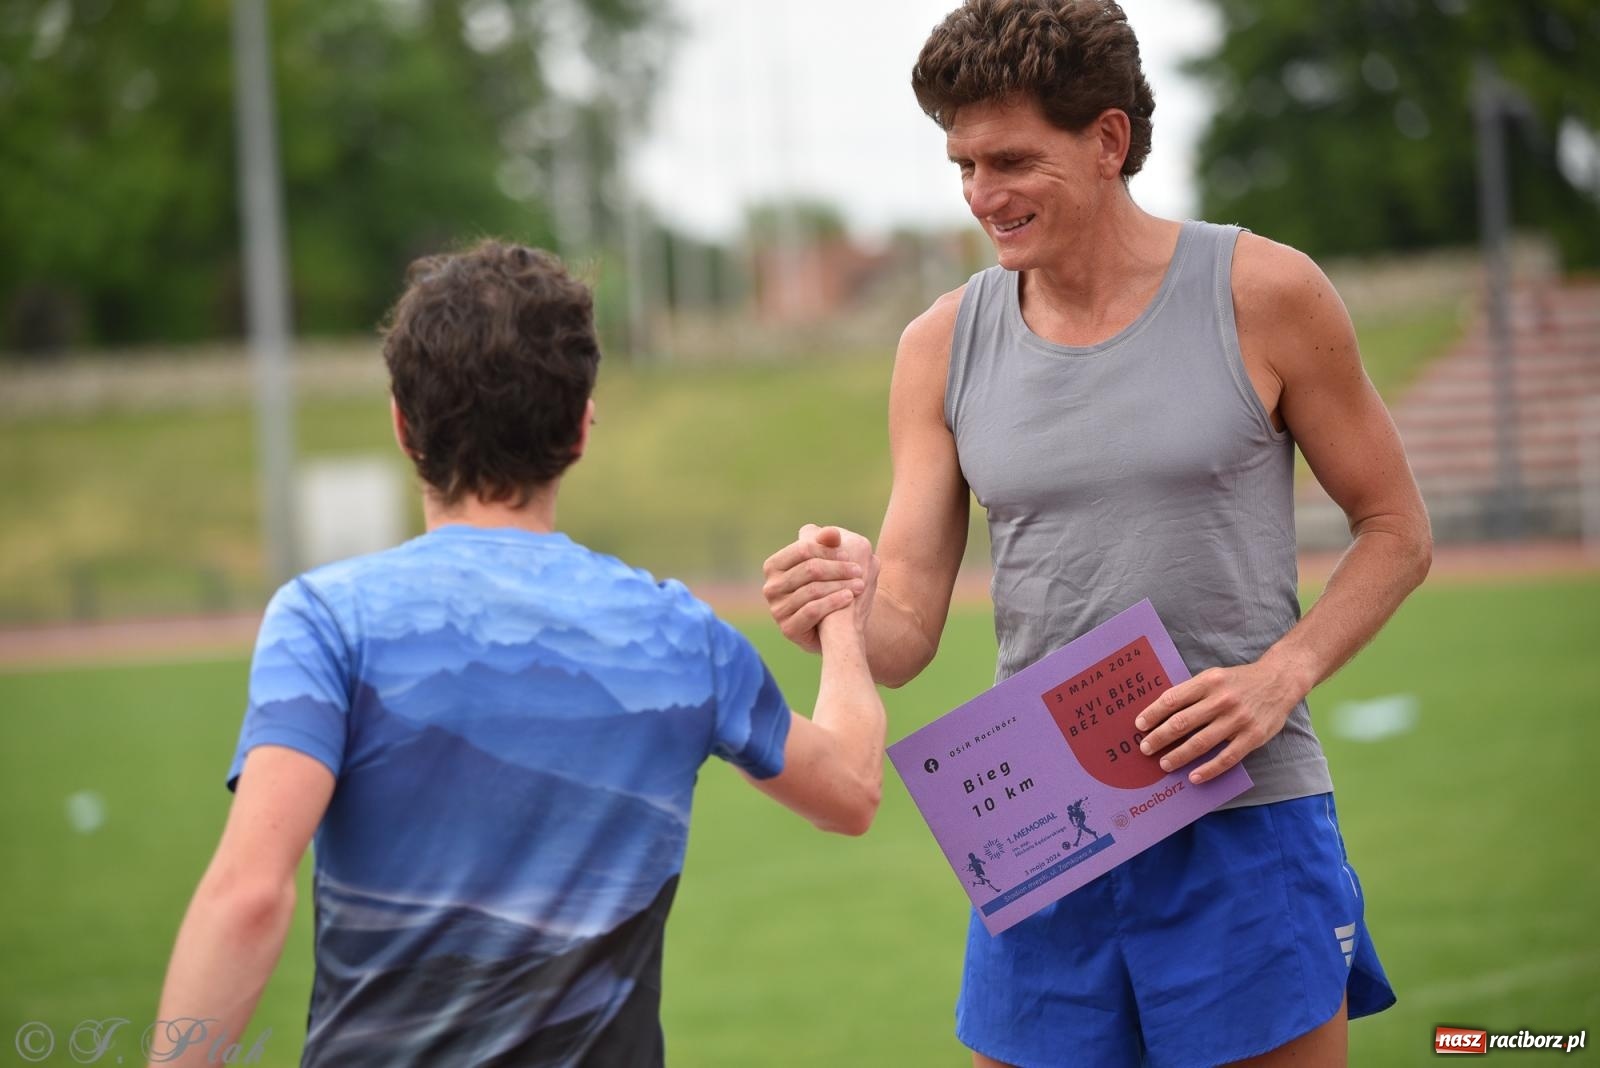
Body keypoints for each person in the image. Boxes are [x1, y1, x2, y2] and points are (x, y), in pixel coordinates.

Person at [762, 2, 1432, 1065]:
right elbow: (902, 637)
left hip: (1241, 815)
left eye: (1012, 160)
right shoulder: (939, 345)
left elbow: (1397, 527)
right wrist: (836, 607)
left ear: (1108, 139)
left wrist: (1282, 674)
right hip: (1042, 834)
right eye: (963, 165)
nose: (983, 195)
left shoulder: (1265, 292)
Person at [150, 240, 886, 1067]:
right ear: (579, 426)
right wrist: (842, 619)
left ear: (402, 423)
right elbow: (852, 793)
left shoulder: (326, 621)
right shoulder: (679, 635)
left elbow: (249, 898)